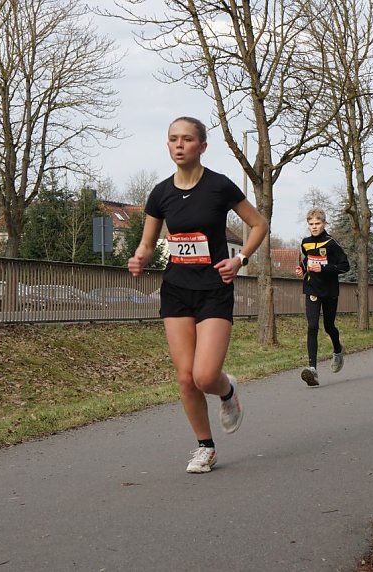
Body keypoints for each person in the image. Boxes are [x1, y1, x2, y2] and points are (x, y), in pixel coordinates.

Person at [128, 117, 268, 474]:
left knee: (206, 376)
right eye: (173, 139)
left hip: (214, 288)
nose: (179, 145)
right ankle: (205, 447)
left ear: (202, 146)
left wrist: (240, 259)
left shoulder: (219, 186)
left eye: (187, 139)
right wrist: (141, 256)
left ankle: (227, 391)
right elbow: (147, 241)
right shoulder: (160, 193)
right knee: (186, 377)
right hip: (176, 288)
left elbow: (259, 224)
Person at [294, 208, 350, 386]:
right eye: (311, 224)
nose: (314, 227)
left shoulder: (331, 243)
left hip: (330, 290)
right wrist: (302, 269)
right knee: (312, 326)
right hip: (312, 288)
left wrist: (324, 269)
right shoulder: (305, 242)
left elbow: (345, 266)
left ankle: (338, 350)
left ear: (324, 223)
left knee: (329, 326)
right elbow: (307, 259)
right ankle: (313, 370)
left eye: (317, 223)